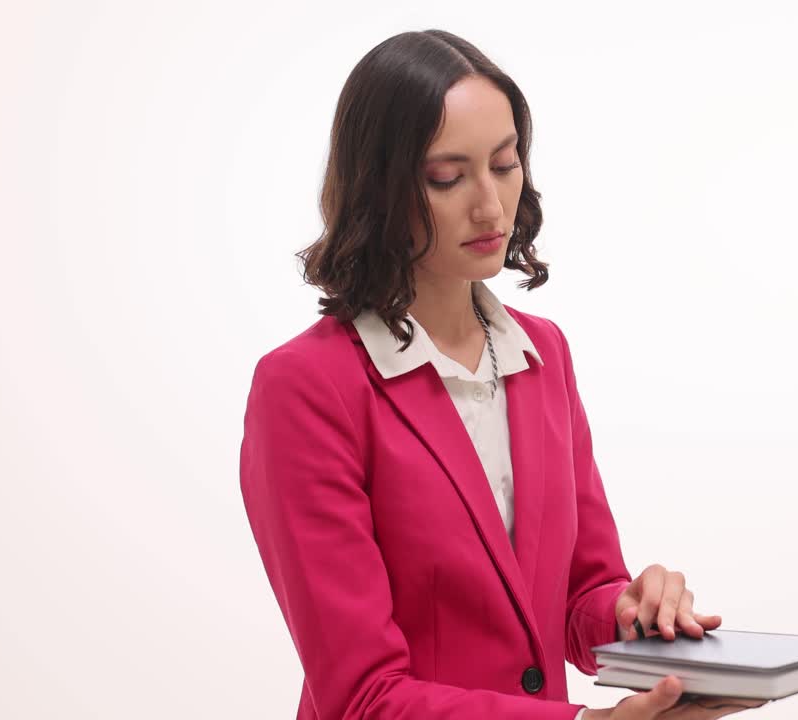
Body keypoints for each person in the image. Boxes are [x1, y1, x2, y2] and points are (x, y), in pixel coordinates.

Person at [238, 29, 767, 720]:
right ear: (377, 187)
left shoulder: (541, 355)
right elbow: (362, 697)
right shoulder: (306, 388)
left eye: (505, 163)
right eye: (447, 177)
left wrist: (636, 613)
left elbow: (579, 599)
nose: (490, 205)